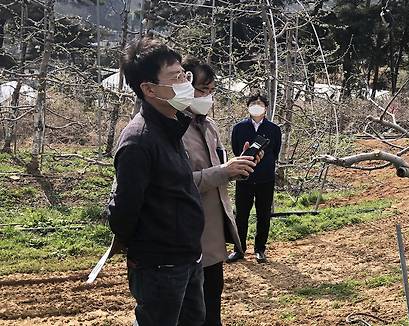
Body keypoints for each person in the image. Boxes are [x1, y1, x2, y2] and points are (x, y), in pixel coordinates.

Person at [107, 38, 205, 326]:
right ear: (149, 89)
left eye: (184, 75)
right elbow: (124, 212)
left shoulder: (172, 128)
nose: (185, 83)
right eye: (175, 78)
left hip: (188, 257)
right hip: (160, 266)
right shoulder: (139, 141)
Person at [180, 57, 261, 326]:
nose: (208, 97)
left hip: (213, 240)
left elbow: (217, 171)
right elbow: (174, 185)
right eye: (203, 90)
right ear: (183, 85)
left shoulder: (209, 126)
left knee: (212, 311)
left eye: (212, 90)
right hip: (185, 240)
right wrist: (224, 171)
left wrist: (238, 166)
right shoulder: (171, 130)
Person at [227, 93, 282, 264]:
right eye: (253, 103)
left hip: (266, 178)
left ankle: (260, 249)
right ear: (248, 107)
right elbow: (237, 150)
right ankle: (239, 249)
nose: (257, 106)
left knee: (263, 214)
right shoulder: (239, 128)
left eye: (260, 104)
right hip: (244, 178)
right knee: (241, 214)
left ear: (266, 108)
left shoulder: (274, 129)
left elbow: (275, 152)